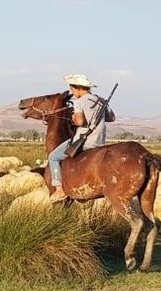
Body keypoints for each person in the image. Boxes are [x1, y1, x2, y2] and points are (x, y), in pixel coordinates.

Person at [49, 73, 116, 202]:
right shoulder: (100, 100)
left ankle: (59, 190)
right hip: (100, 141)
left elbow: (79, 122)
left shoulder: (79, 102)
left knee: (53, 157)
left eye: (72, 89)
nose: (72, 92)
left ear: (79, 88)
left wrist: (74, 118)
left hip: (84, 141)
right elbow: (111, 118)